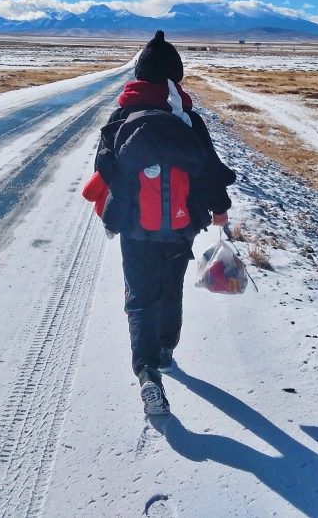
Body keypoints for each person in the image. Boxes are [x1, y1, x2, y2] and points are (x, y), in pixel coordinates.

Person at [82, 31, 235, 416]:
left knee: (139, 297)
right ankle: (166, 351)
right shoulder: (187, 120)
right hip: (180, 228)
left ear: (138, 77)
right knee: (170, 289)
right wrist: (220, 209)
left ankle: (147, 373)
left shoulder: (121, 118)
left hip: (135, 228)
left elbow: (105, 168)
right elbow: (210, 172)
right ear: (174, 78)